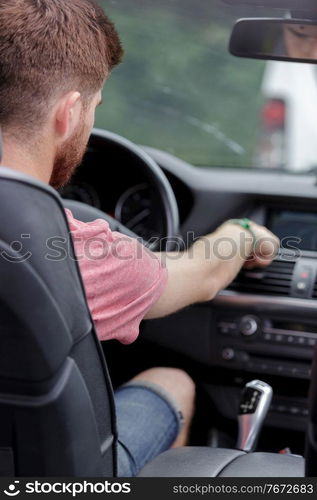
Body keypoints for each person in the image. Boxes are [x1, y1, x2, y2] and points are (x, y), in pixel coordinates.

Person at [0, 0, 279, 477]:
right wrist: (244, 231)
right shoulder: (77, 253)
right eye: (94, 107)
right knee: (173, 381)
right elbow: (201, 273)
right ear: (69, 112)